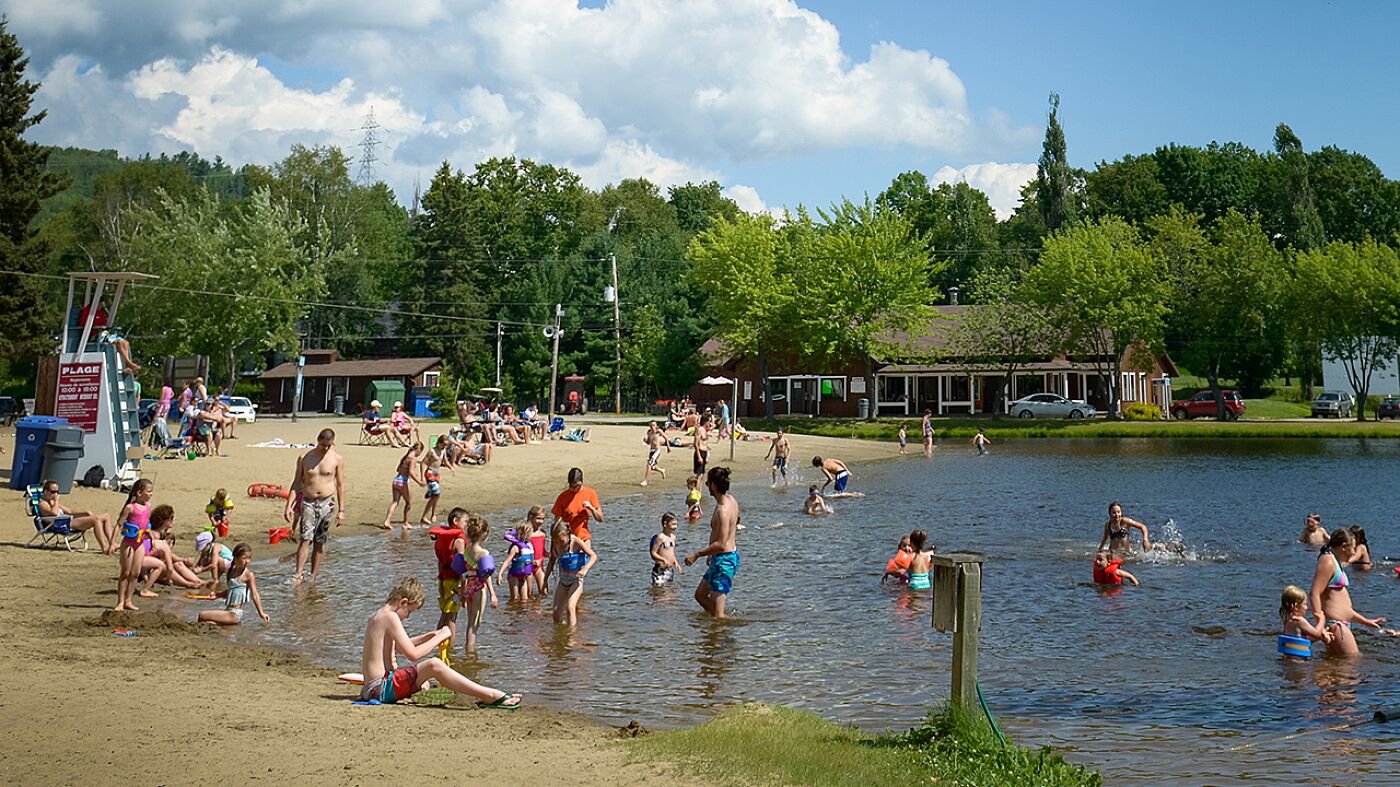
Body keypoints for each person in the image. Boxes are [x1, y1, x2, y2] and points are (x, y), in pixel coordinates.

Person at [360, 576, 520, 708]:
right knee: (434, 665)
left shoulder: (378, 616)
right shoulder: (390, 617)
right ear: (403, 602)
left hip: (374, 688)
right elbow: (412, 654)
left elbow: (399, 648)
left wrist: (429, 636)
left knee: (426, 683)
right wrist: (441, 636)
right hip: (381, 688)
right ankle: (490, 695)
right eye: (409, 611)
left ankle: (484, 693)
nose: (407, 617)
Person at [1309, 528, 1387, 656]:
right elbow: (1314, 593)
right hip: (1335, 625)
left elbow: (1343, 607)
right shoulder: (1328, 561)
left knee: (1335, 668)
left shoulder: (1335, 562)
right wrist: (1320, 627)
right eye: (1353, 548)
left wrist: (1366, 621)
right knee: (1353, 663)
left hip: (1340, 624)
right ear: (1344, 546)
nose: (1354, 553)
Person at [283, 428, 346, 582]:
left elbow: (340, 485)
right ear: (318, 441)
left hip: (327, 503)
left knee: (320, 541)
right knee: (305, 538)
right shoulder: (305, 457)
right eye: (323, 445)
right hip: (308, 502)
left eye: (328, 445)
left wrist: (342, 510)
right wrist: (289, 505)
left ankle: (313, 577)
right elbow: (297, 482)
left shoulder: (337, 459)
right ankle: (298, 574)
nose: (325, 448)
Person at [684, 466, 741, 618]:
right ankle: (722, 619)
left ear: (714, 486)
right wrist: (712, 553)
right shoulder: (732, 500)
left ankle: (721, 625)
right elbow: (738, 519)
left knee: (718, 616)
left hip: (725, 560)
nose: (707, 486)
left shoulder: (723, 510)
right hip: (719, 557)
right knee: (700, 595)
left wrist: (697, 554)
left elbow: (721, 544)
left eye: (708, 483)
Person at [36, 481, 116, 554]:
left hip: (67, 521)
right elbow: (54, 513)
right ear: (46, 492)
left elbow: (69, 511)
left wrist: (85, 512)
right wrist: (56, 501)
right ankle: (104, 547)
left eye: (57, 492)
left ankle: (112, 543)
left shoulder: (52, 502)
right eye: (53, 492)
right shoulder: (42, 504)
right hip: (61, 524)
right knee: (96, 520)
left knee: (106, 516)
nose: (56, 494)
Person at [198, 544, 269, 625]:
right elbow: (231, 591)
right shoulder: (230, 572)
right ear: (235, 558)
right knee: (208, 623)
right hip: (228, 611)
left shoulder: (248, 575)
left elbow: (255, 595)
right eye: (244, 558)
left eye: (249, 558)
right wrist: (217, 595)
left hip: (235, 614)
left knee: (202, 615)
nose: (247, 561)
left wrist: (261, 613)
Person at [545, 520, 597, 625]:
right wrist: (545, 580)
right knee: (556, 612)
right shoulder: (555, 545)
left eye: (561, 541)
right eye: (556, 541)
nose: (559, 544)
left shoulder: (575, 542)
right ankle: (561, 631)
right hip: (563, 580)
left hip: (576, 580)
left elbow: (593, 556)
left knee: (570, 607)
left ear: (568, 535)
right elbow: (551, 562)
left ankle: (571, 637)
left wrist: (585, 569)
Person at [115, 479, 155, 611]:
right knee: (125, 572)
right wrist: (111, 543)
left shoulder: (148, 507)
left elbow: (146, 525)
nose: (151, 494)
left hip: (140, 543)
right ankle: (120, 602)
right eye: (148, 491)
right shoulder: (130, 508)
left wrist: (151, 538)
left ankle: (128, 600)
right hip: (128, 543)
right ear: (139, 493)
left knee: (135, 573)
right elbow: (119, 524)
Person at [551, 467, 602, 546]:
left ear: (582, 482)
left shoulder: (590, 493)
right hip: (567, 538)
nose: (575, 489)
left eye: (577, 486)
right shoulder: (562, 497)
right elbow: (557, 522)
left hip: (583, 537)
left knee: (587, 556)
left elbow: (600, 519)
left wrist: (591, 508)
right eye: (572, 486)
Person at [382, 442, 424, 531]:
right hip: (403, 482)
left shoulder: (404, 457)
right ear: (418, 450)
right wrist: (419, 482)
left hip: (396, 480)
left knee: (395, 502)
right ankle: (406, 523)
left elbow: (398, 469)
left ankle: (387, 521)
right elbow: (411, 472)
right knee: (408, 503)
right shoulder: (413, 459)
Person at [1279, 585, 1332, 652]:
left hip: (1288, 658)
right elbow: (1317, 633)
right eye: (1305, 604)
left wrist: (1322, 636)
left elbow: (1301, 640)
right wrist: (1322, 619)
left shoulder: (1287, 620)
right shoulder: (1300, 621)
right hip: (1298, 660)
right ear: (1295, 606)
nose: (1307, 607)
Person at [500, 517, 536, 602]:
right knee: (515, 599)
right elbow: (507, 561)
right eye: (531, 532)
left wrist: (532, 563)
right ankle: (513, 614)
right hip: (514, 576)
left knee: (524, 599)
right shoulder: (516, 547)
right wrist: (500, 574)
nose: (532, 534)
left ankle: (521, 614)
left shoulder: (528, 545)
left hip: (523, 576)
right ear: (525, 534)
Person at [419, 439, 450, 526]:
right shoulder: (432, 451)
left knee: (435, 496)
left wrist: (451, 467)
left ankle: (432, 514)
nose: (444, 447)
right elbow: (423, 463)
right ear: (439, 443)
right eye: (443, 444)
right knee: (437, 494)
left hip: (437, 474)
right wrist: (422, 477)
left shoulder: (443, 451)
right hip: (430, 472)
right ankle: (424, 517)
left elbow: (445, 461)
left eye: (446, 445)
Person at [649, 513, 682, 587]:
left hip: (669, 569)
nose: (675, 527)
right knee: (659, 590)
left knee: (669, 590)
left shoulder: (673, 537)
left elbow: (671, 552)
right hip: (660, 569)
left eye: (676, 524)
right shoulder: (660, 537)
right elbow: (653, 553)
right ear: (665, 524)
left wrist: (676, 563)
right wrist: (663, 560)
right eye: (673, 524)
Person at [641, 422, 670, 486]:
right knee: (652, 466)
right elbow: (648, 442)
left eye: (654, 425)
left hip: (657, 451)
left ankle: (646, 480)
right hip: (651, 451)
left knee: (649, 464)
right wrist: (645, 440)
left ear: (656, 426)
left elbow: (666, 438)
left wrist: (668, 447)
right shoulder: (649, 433)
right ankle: (661, 470)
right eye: (651, 426)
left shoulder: (658, 431)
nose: (652, 427)